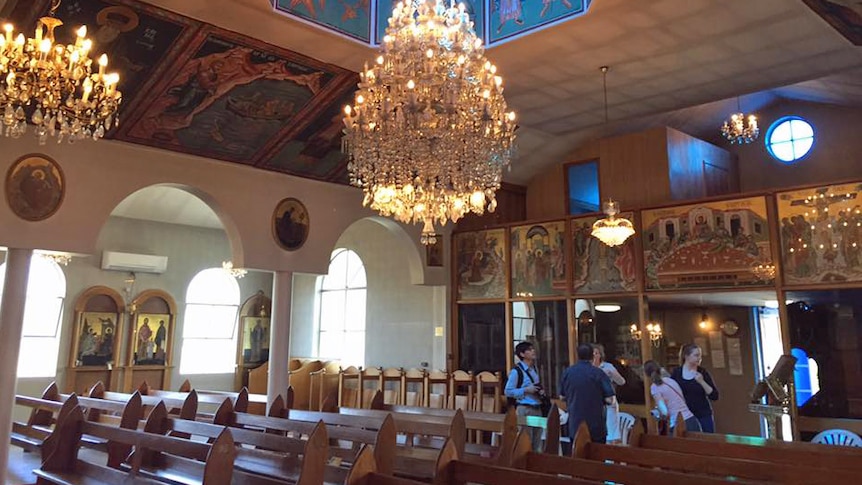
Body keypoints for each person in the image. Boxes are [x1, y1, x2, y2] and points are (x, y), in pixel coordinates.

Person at [560, 343, 615, 444]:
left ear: (578, 355)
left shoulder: (568, 373)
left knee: (578, 454)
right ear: (592, 356)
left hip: (575, 423)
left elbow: (562, 396)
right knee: (597, 456)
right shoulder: (599, 373)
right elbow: (609, 399)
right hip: (596, 423)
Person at [504, 341, 545, 452]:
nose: (533, 351)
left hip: (537, 407)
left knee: (538, 442)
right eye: (530, 350)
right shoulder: (516, 372)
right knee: (526, 441)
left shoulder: (533, 370)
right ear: (522, 354)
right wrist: (526, 390)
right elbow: (508, 391)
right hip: (525, 408)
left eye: (533, 349)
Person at [671, 343, 719, 433]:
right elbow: (671, 393)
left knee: (707, 440)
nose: (699, 358)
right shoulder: (677, 373)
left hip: (703, 414)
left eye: (700, 355)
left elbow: (714, 396)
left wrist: (702, 382)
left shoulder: (703, 372)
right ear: (686, 356)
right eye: (696, 355)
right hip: (685, 415)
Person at [644, 360, 701, 434]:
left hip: (677, 424)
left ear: (647, 374)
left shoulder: (655, 387)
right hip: (691, 420)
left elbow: (664, 412)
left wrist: (657, 414)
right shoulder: (671, 381)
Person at [592, 344, 626, 444]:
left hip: (608, 400)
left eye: (596, 353)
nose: (594, 355)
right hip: (594, 401)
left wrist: (611, 382)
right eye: (592, 353)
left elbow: (621, 381)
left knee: (611, 430)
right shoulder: (588, 369)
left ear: (600, 355)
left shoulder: (607, 367)